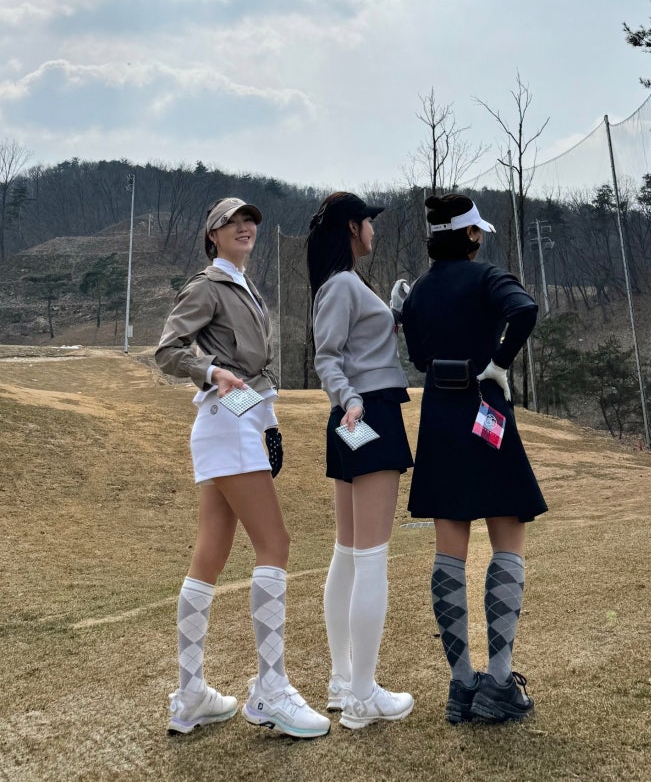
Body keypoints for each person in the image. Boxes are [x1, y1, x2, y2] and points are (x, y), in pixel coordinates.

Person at [156, 196, 330, 739]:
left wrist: (267, 421)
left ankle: (191, 695)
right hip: (226, 421)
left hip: (239, 421)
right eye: (231, 221)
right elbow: (168, 350)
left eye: (249, 219)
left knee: (209, 554)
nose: (244, 226)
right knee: (274, 543)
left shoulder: (244, 286)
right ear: (212, 234)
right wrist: (211, 372)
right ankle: (271, 689)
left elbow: (254, 373)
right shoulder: (208, 286)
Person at [400, 193, 547, 726]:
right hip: (485, 409)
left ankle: (462, 686)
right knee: (507, 536)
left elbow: (418, 356)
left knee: (449, 553)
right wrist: (498, 362)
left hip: (439, 416)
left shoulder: (419, 290)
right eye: (477, 230)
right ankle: (500, 683)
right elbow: (524, 309)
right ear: (470, 234)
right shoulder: (487, 276)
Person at [307, 192, 415, 730]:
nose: (374, 229)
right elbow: (326, 357)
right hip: (366, 414)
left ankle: (343, 680)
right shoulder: (341, 284)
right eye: (369, 221)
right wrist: (350, 399)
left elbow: (355, 345)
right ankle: (362, 695)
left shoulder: (346, 283)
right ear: (353, 227)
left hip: (355, 416)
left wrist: (392, 313)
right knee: (369, 556)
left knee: (349, 553)